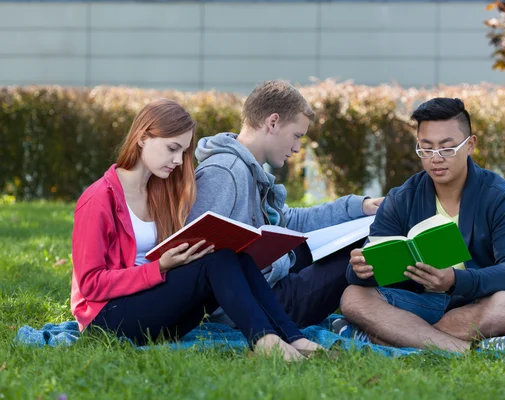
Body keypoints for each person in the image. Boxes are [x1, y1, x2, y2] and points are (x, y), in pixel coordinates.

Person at [70, 99, 321, 361]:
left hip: (157, 314)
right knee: (217, 261)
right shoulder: (98, 199)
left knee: (233, 255)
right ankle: (267, 343)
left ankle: (293, 337)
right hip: (108, 322)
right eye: (172, 148)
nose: (178, 160)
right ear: (143, 138)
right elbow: (90, 284)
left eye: (183, 151)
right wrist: (158, 269)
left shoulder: (161, 192)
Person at [336, 97, 505, 352]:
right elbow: (369, 264)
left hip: (475, 306)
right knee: (353, 297)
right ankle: (464, 349)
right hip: (418, 303)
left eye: (447, 148)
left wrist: (456, 280)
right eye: (426, 148)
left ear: (470, 145)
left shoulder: (501, 197)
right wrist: (360, 269)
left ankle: (394, 337)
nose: (436, 159)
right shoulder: (402, 197)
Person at [187, 80, 383, 328]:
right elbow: (198, 260)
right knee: (358, 254)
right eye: (297, 136)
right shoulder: (224, 172)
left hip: (270, 281)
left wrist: (358, 207)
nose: (298, 147)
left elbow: (289, 221)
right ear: (273, 122)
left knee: (354, 240)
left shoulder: (248, 170)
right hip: (255, 305)